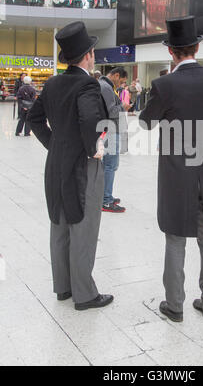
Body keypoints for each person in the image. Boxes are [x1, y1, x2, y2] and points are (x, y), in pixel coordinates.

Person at [140, 16, 203, 323]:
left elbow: (146, 121)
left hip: (177, 175)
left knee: (176, 238)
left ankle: (174, 305)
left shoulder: (164, 84)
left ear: (171, 52)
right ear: (197, 47)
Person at [28, 21, 113, 311]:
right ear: (88, 54)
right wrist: (95, 147)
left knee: (60, 223)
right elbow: (91, 121)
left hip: (56, 163)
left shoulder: (52, 84)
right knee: (83, 226)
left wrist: (54, 143)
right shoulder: (87, 84)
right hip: (81, 165)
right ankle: (85, 294)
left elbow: (34, 119)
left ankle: (63, 287)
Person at [98, 67, 130, 213]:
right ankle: (106, 201)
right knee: (110, 166)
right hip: (111, 131)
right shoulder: (106, 88)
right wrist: (123, 106)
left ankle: (105, 195)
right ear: (116, 75)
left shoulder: (105, 86)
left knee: (110, 165)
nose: (120, 85)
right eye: (121, 81)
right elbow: (111, 111)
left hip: (109, 130)